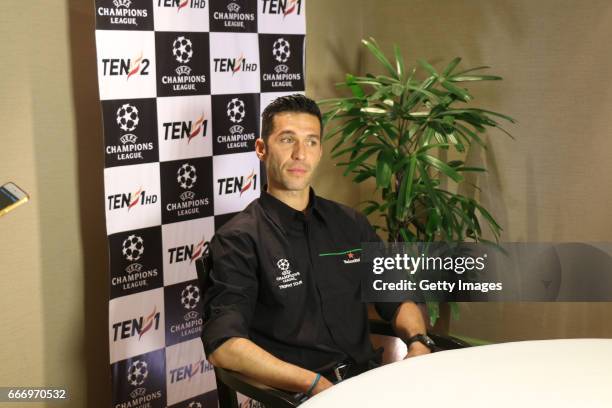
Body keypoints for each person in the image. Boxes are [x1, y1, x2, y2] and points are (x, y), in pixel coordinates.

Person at [201, 94, 432, 398]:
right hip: (296, 397)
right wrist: (313, 384)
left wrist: (417, 341)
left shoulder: (350, 223)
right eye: (287, 140)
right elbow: (225, 347)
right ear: (261, 149)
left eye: (311, 142)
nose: (300, 154)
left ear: (320, 151)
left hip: (367, 385)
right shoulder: (239, 240)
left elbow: (396, 295)